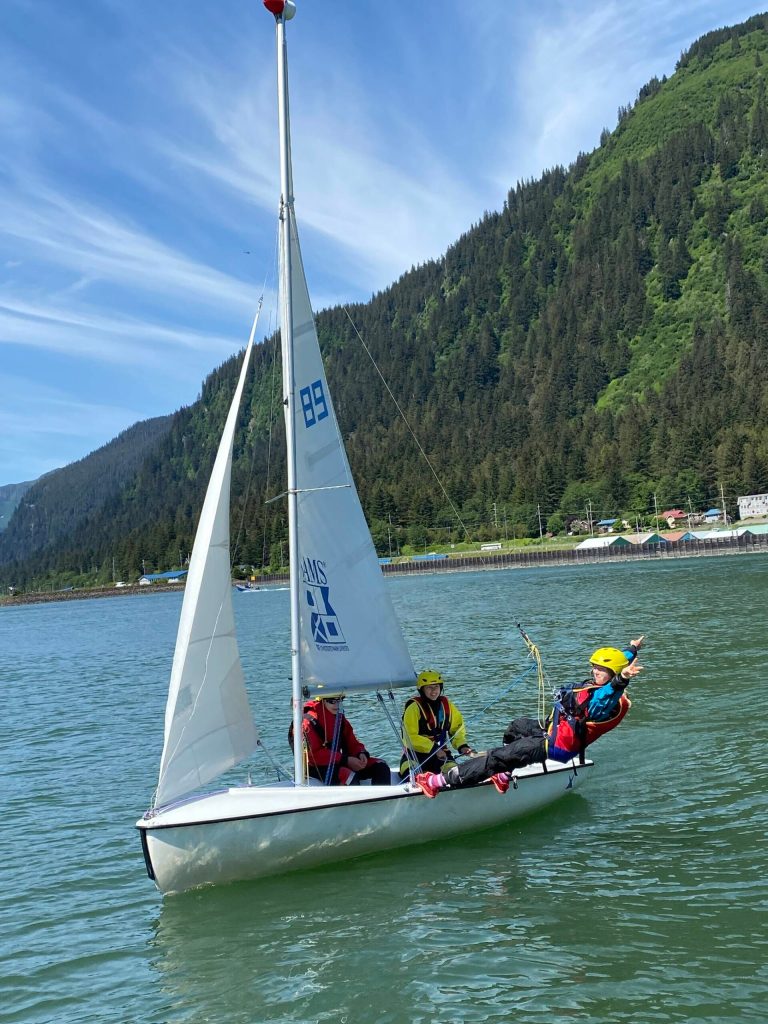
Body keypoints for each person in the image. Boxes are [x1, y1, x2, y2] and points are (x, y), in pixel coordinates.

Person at [414, 636, 645, 798]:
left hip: (557, 745)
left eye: (601, 670)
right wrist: (632, 649)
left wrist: (622, 679)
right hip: (552, 728)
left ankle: (439, 782)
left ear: (613, 674)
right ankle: (504, 773)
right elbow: (617, 662)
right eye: (594, 667)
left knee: (498, 756)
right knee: (516, 727)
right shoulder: (603, 679)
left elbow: (607, 694)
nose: (595, 672)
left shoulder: (605, 701)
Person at [290, 695, 392, 786]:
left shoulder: (339, 719)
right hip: (316, 767)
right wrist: (345, 760)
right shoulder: (307, 723)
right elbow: (313, 755)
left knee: (381, 766)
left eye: (339, 700)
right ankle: (356, 807)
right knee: (348, 777)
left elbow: (352, 742)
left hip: (337, 761)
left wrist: (361, 754)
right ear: (322, 701)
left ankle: (381, 805)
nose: (336, 705)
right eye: (332, 701)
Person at [399, 670, 477, 779]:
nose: (434, 691)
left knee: (457, 776)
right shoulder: (413, 708)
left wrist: (462, 746)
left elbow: (457, 729)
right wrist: (434, 749)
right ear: (422, 690)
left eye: (436, 687)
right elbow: (409, 737)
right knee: (411, 777)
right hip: (414, 756)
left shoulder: (447, 705)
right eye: (429, 688)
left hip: (441, 756)